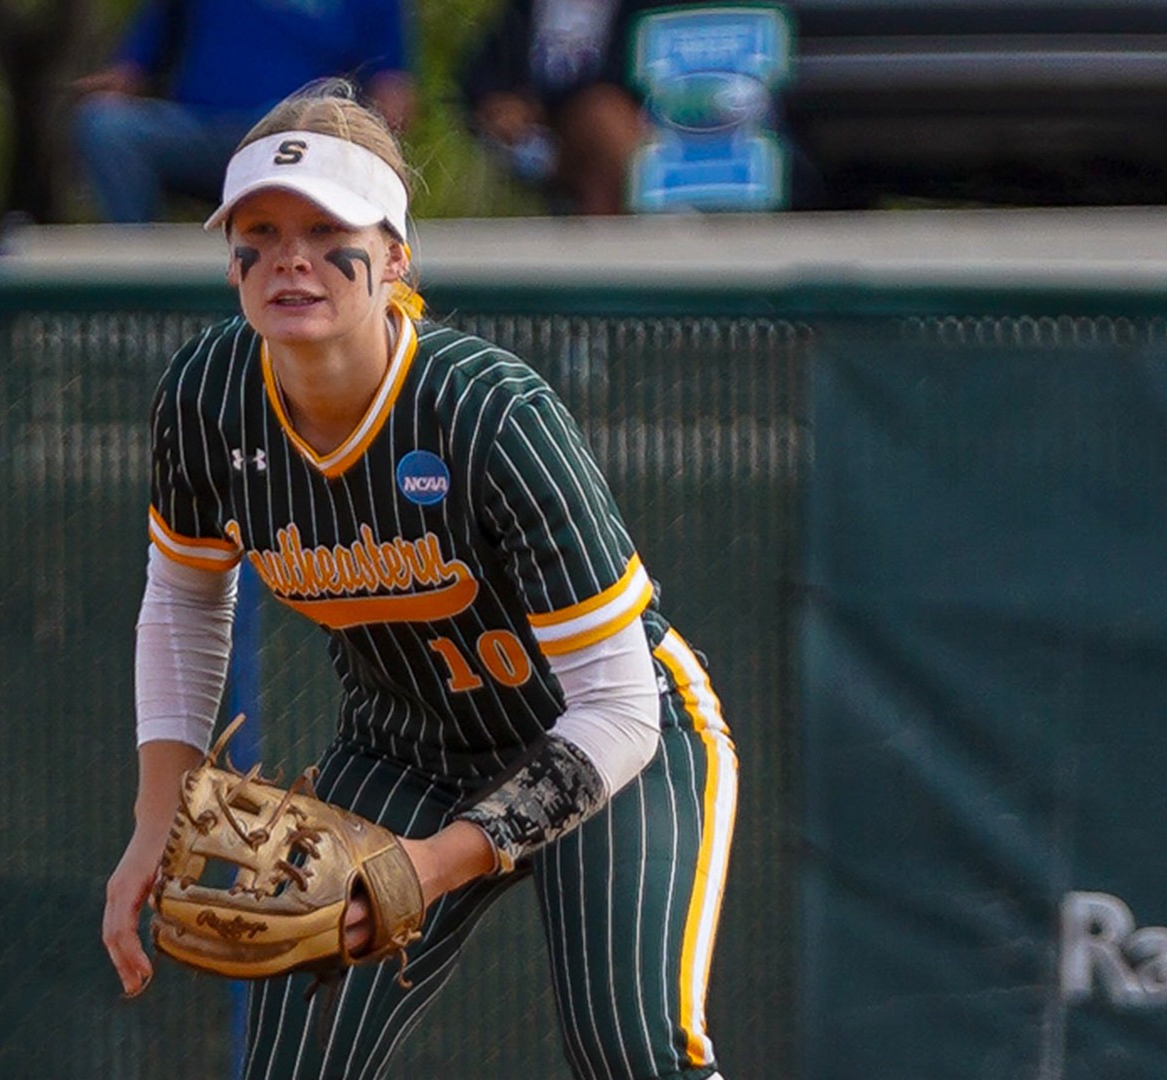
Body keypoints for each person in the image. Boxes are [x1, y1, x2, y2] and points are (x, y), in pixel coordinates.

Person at [100, 78, 738, 1080]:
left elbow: (617, 708)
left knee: (632, 1053)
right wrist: (156, 815)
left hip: (610, 739)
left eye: (326, 228)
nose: (290, 258)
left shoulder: (488, 416)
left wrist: (429, 866)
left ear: (395, 257)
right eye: (258, 231)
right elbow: (186, 592)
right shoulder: (210, 396)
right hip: (405, 745)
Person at [71, 0, 414, 224]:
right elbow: (134, 70)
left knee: (316, 122)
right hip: (200, 133)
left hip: (297, 142)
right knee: (105, 126)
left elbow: (391, 88)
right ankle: (137, 264)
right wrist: (106, 88)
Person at [457, 0, 650, 215]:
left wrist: (540, 105)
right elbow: (479, 73)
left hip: (618, 122)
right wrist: (499, 104)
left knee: (605, 116)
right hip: (534, 138)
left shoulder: (641, 8)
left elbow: (636, 77)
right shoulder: (527, 8)